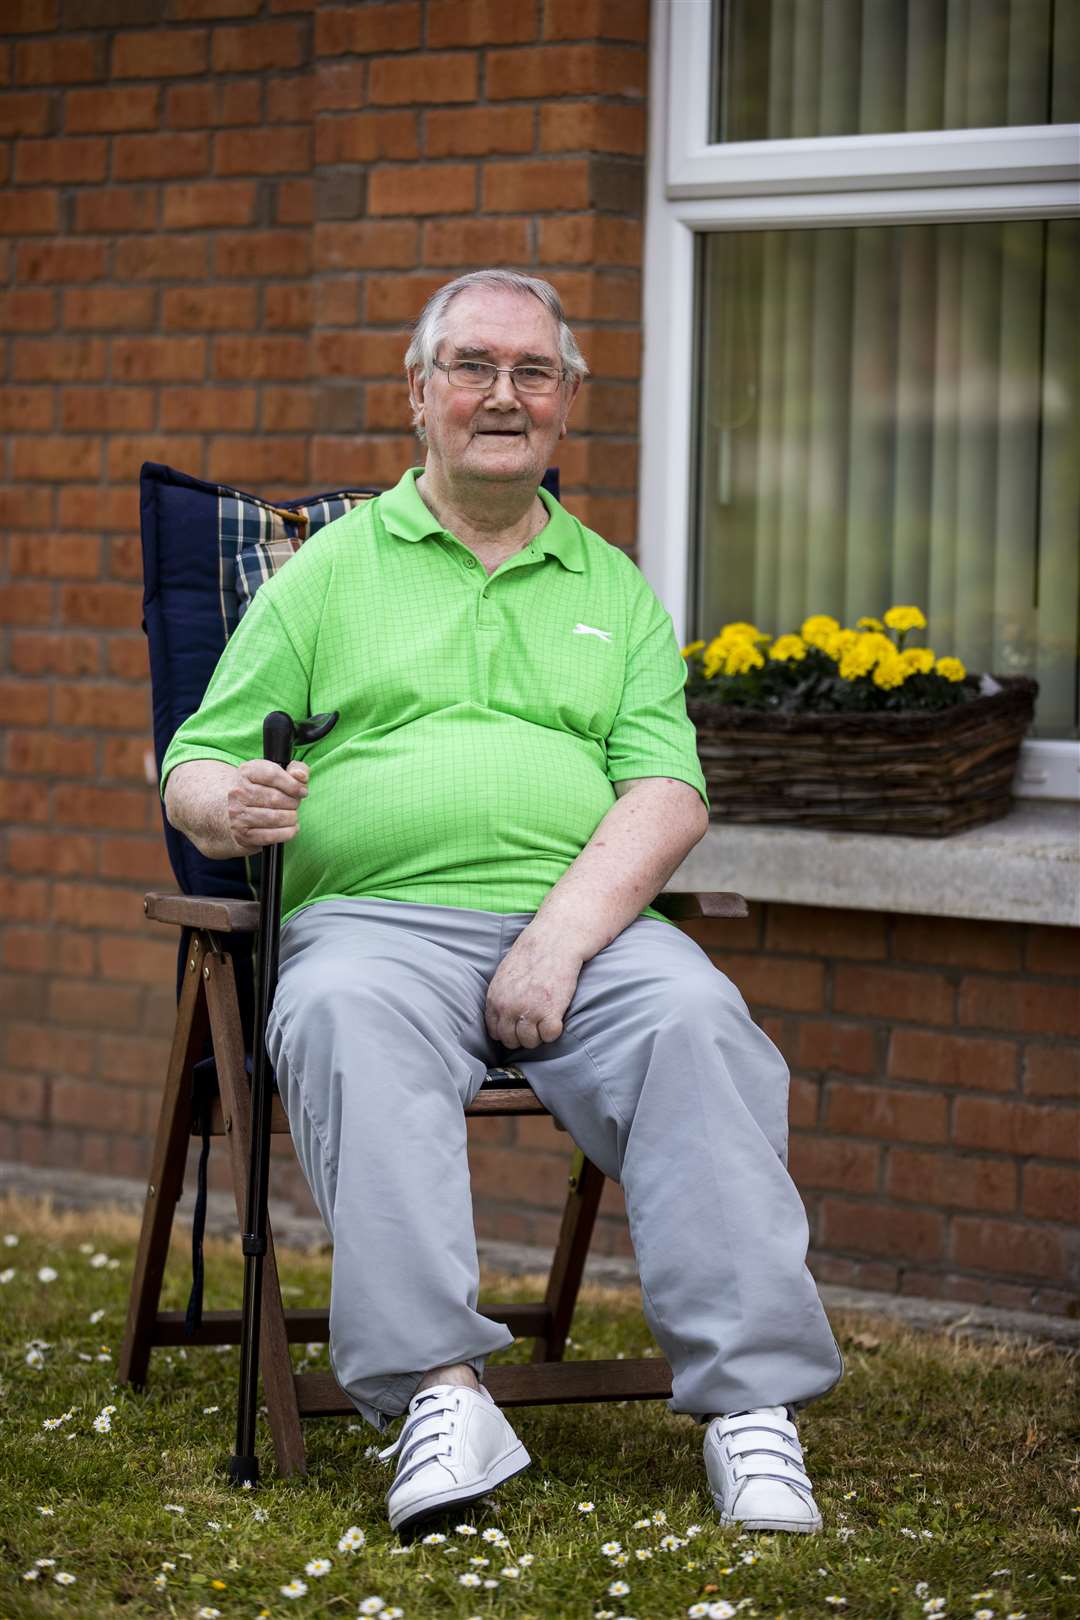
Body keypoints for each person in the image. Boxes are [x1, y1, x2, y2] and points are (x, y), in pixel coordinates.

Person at [161, 269, 843, 1536]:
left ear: (569, 402)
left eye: (533, 373)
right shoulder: (327, 574)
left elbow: (667, 793)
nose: (501, 395)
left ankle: (752, 1410)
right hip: (374, 923)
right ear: (418, 396)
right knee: (344, 1020)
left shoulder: (613, 587)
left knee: (702, 1025)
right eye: (471, 367)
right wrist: (227, 806)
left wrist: (560, 942)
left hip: (584, 928)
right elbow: (196, 757)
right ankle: (439, 1392)